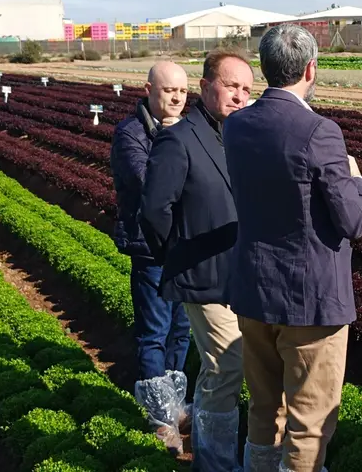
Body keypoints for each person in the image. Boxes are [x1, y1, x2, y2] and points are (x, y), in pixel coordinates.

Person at [222, 23, 362, 472]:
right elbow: (353, 221)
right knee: (309, 420)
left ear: (264, 68)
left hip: (254, 290)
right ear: (311, 68)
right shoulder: (318, 130)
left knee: (264, 409)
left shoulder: (237, 126)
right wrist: (358, 180)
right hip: (309, 300)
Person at [138, 52, 252, 471]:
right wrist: (180, 254)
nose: (239, 96)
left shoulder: (241, 137)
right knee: (228, 366)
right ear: (205, 87)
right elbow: (154, 211)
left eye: (246, 89)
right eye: (230, 85)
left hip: (243, 276)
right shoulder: (179, 138)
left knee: (220, 372)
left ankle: (214, 453)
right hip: (203, 277)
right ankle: (216, 462)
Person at [109, 60, 192, 453]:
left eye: (181, 91)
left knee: (181, 329)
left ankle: (175, 407)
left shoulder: (188, 129)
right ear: (148, 90)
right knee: (154, 331)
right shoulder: (131, 133)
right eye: (168, 90)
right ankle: (160, 419)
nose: (175, 97)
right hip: (150, 247)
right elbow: (150, 184)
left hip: (184, 245)